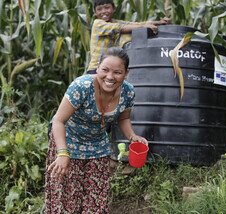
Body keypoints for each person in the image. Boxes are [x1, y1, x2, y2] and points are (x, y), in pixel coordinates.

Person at [45, 47, 148, 213]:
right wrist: (63, 153)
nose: (110, 77)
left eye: (117, 72)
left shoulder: (128, 92)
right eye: (105, 70)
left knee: (97, 201)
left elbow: (123, 118)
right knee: (68, 202)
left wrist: (132, 136)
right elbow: (58, 120)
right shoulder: (82, 87)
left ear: (126, 73)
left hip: (98, 146)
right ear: (98, 67)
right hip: (68, 143)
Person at [87, 0, 171, 74]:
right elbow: (121, 28)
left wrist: (159, 22)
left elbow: (135, 24)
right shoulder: (97, 23)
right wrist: (145, 27)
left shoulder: (115, 22)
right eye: (99, 9)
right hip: (96, 68)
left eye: (107, 7)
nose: (103, 11)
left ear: (114, 9)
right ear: (95, 12)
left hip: (108, 68)